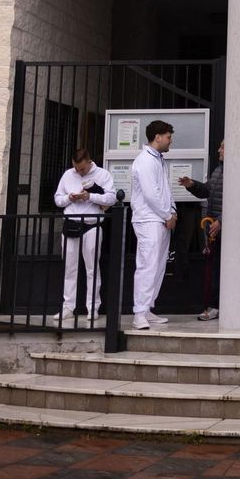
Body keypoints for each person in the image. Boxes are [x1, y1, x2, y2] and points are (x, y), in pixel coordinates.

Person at [53, 146, 117, 320]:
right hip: (71, 225)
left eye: (82, 168)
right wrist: (69, 198)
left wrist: (90, 197)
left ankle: (93, 307)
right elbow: (58, 199)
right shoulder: (68, 175)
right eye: (76, 168)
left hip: (92, 224)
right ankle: (68, 306)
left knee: (91, 269)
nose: (79, 172)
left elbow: (111, 198)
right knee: (69, 268)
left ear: (89, 161)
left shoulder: (103, 175)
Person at [129, 120, 178, 330]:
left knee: (158, 265)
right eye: (168, 137)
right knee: (147, 265)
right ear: (157, 137)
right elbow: (151, 194)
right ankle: (139, 312)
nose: (170, 141)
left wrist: (172, 211)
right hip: (149, 219)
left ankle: (147, 308)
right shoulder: (145, 161)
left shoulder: (158, 160)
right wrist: (167, 214)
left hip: (159, 219)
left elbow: (165, 189)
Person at [178, 138, 226, 321]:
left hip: (225, 229)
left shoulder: (237, 172)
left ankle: (217, 306)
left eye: (222, 147)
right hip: (214, 228)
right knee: (213, 269)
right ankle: (214, 305)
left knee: (219, 270)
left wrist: (221, 221)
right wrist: (192, 185)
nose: (218, 150)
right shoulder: (218, 170)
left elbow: (239, 201)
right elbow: (207, 191)